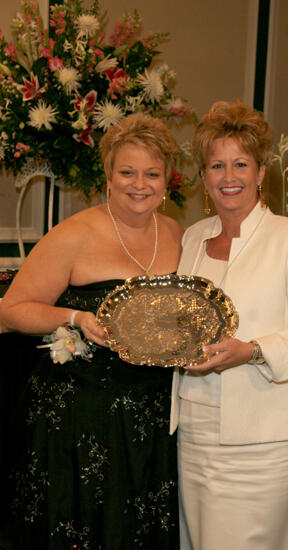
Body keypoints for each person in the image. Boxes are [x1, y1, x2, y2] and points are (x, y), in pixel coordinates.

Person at [0, 113, 183, 549]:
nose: (139, 184)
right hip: (81, 414)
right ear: (108, 174)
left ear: (167, 179)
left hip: (155, 413)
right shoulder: (73, 234)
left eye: (152, 173)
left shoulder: (177, 233)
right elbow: (10, 312)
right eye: (127, 172)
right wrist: (77, 318)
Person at [170, 100, 288, 550]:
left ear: (261, 172)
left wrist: (253, 350)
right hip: (195, 425)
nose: (229, 177)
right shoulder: (193, 238)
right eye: (217, 165)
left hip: (265, 434)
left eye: (240, 164)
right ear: (203, 177)